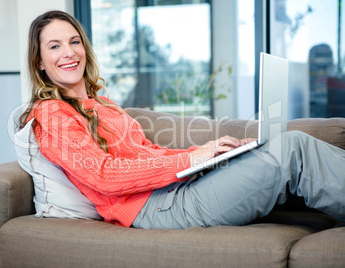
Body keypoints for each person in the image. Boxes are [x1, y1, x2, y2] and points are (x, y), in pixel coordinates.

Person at [18, 10, 345, 229]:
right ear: (41, 62)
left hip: (175, 190)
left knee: (283, 144)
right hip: (156, 209)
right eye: (55, 46)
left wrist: (211, 153)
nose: (69, 52)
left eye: (74, 41)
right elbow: (103, 176)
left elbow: (149, 152)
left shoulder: (102, 104)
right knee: (291, 149)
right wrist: (191, 157)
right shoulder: (51, 114)